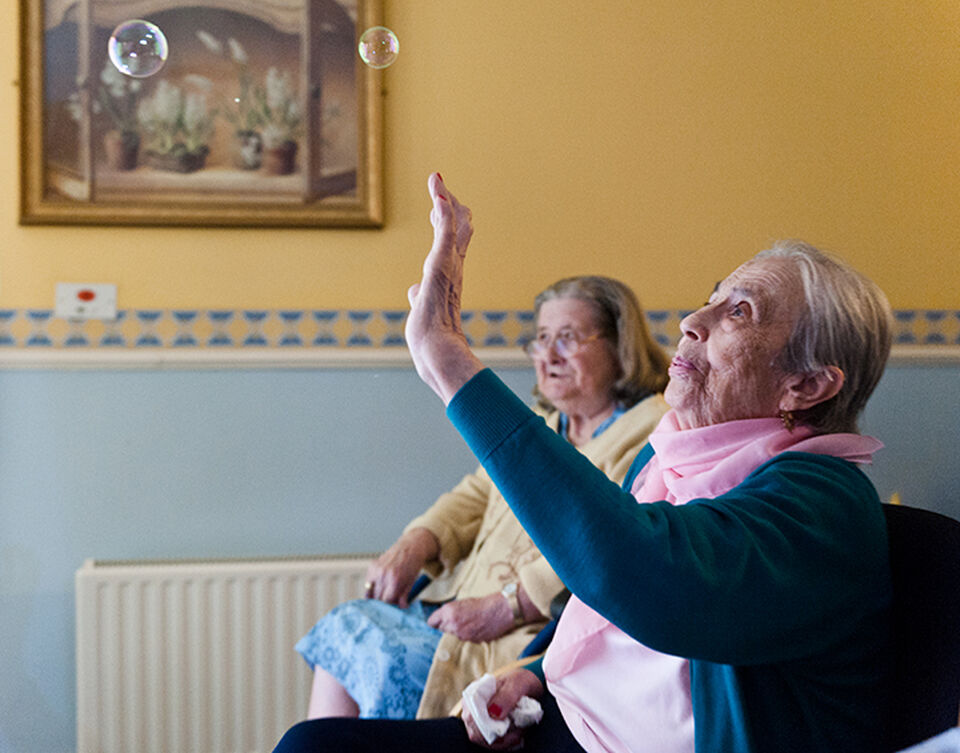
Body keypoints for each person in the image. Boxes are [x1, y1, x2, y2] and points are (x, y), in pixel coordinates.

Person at [274, 174, 894, 753]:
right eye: (711, 300)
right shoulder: (668, 455)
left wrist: (448, 363)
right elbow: (594, 611)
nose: (690, 322)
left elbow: (648, 575)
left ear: (807, 385)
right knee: (313, 743)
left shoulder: (825, 502)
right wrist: (535, 673)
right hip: (566, 722)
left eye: (738, 311)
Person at [295, 274, 671, 720]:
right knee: (349, 627)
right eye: (542, 339)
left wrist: (507, 605)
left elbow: (614, 543)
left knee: (369, 648)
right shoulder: (545, 422)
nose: (548, 356)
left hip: (524, 637)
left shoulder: (651, 431)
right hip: (458, 613)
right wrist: (416, 542)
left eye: (567, 339)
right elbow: (476, 494)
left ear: (620, 346)